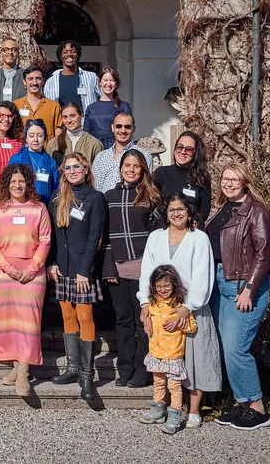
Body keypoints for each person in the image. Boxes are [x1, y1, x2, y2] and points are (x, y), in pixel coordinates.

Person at [137, 193, 222, 426]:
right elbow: (147, 272)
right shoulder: (155, 237)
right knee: (163, 360)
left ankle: (193, 411)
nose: (176, 213)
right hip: (160, 307)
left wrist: (187, 308)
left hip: (191, 307)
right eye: (172, 209)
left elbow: (203, 277)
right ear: (165, 213)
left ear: (189, 211)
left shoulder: (199, 238)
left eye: (181, 209)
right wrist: (145, 303)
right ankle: (163, 406)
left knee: (196, 361)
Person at [206, 163, 270, 430]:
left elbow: (263, 254)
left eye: (235, 179)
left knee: (237, 348)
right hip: (220, 282)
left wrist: (249, 288)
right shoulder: (224, 208)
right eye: (226, 179)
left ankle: (258, 409)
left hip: (241, 286)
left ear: (245, 182)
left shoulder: (256, 211)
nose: (230, 183)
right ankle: (243, 402)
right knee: (227, 347)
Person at [0, 163, 51, 396]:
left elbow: (45, 241)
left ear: (28, 184)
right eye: (13, 181)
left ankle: (24, 372)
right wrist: (6, 266)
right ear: (7, 184)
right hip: (5, 272)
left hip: (33, 272)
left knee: (29, 322)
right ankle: (16, 366)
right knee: (10, 322)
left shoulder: (39, 209)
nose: (17, 185)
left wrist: (33, 267)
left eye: (21, 181)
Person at [47, 152, 106, 401]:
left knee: (84, 315)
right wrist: (51, 263)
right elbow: (51, 235)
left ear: (85, 169)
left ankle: (86, 375)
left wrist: (85, 270)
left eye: (76, 166)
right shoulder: (58, 198)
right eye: (67, 168)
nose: (72, 171)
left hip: (83, 270)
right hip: (62, 267)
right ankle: (72, 368)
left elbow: (96, 237)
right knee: (67, 314)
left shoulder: (95, 198)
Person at [101, 150, 162, 387]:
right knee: (123, 320)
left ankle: (142, 369)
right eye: (127, 165)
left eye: (136, 166)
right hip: (118, 268)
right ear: (121, 168)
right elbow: (105, 237)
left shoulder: (151, 196)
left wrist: (155, 271)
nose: (131, 170)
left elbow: (158, 236)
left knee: (142, 321)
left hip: (144, 268)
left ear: (143, 169)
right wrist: (109, 270)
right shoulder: (109, 197)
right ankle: (124, 369)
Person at [138, 265, 198, 435]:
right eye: (159, 286)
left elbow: (192, 326)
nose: (163, 290)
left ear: (174, 285)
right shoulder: (152, 303)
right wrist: (146, 322)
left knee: (174, 387)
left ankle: (174, 416)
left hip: (172, 356)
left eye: (166, 286)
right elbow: (147, 318)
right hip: (156, 353)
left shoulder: (179, 305)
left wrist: (177, 322)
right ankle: (158, 411)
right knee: (158, 383)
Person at [153, 130, 212, 225]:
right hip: (165, 229)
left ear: (196, 153)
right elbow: (153, 203)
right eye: (180, 147)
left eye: (189, 149)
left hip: (190, 231)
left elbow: (204, 211)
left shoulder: (201, 177)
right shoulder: (161, 173)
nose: (183, 152)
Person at [91, 112, 153, 192]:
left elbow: (147, 186)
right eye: (118, 126)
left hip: (132, 202)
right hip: (104, 203)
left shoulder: (144, 155)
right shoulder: (101, 157)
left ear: (133, 129)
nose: (123, 130)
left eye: (127, 127)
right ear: (112, 128)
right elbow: (95, 187)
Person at [8, 119, 60, 204]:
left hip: (45, 206)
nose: (35, 139)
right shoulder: (17, 158)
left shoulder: (50, 161)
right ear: (26, 138)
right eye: (31, 136)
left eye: (39, 135)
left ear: (44, 138)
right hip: (21, 205)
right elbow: (9, 184)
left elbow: (56, 187)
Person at [43, 40, 100, 111]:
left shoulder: (92, 77)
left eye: (73, 51)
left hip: (86, 121)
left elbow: (105, 96)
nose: (69, 54)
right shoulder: (51, 82)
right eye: (65, 52)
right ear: (60, 56)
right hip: (62, 121)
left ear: (78, 54)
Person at [84, 67, 132, 148]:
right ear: (100, 82)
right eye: (105, 80)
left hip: (116, 148)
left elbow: (127, 130)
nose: (108, 84)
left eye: (112, 80)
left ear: (116, 84)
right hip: (94, 148)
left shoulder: (123, 106)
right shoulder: (91, 108)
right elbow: (86, 131)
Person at [46, 102, 103, 167]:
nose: (69, 120)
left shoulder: (94, 144)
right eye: (65, 117)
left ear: (81, 115)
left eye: (72, 116)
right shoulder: (53, 144)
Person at [13, 65, 63, 138]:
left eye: (38, 79)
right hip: (22, 148)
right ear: (24, 81)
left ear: (43, 81)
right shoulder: (16, 105)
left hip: (47, 149)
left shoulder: (54, 106)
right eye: (30, 79)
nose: (34, 82)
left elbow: (58, 132)